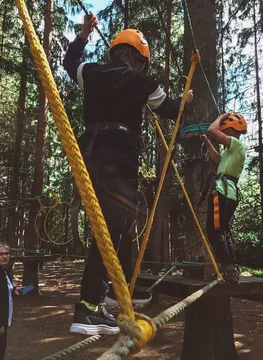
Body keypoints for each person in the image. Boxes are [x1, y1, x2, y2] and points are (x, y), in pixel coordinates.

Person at [63, 15, 193, 335]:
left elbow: (69, 63)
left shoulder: (92, 72)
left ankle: (101, 295)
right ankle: (88, 306)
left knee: (108, 226)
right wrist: (186, 99)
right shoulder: (142, 83)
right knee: (113, 228)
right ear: (138, 58)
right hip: (119, 159)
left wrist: (82, 35)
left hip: (89, 157)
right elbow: (169, 109)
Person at [202, 112, 247, 283]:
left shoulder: (237, 144)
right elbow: (218, 160)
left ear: (232, 130)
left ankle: (229, 267)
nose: (224, 134)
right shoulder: (232, 151)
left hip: (223, 192)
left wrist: (221, 116)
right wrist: (207, 143)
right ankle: (231, 268)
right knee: (222, 230)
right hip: (227, 192)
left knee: (214, 231)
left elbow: (212, 130)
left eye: (226, 130)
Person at [0, 243, 21, 360]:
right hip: (0, 322)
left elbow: (4, 292)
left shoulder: (6, 271)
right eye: (1, 254)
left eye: (6, 254)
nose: (4, 256)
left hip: (5, 319)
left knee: (1, 352)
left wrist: (14, 291)